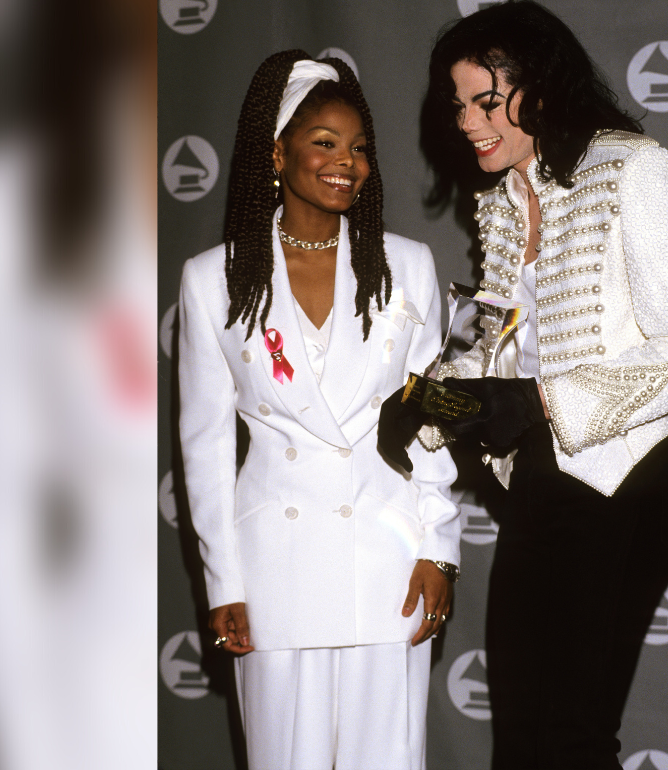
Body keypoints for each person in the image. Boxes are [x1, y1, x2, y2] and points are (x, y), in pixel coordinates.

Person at [380, 3, 668, 768]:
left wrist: (541, 401)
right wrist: (428, 400)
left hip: (622, 479)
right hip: (536, 480)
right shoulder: (499, 201)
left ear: (546, 88)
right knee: (521, 734)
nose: (467, 121)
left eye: (486, 101)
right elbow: (498, 350)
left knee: (572, 737)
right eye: (458, 104)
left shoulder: (634, 169)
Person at [178, 50, 461, 770]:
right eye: (325, 144)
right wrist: (224, 583)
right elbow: (205, 445)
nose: (348, 163)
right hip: (277, 570)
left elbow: (429, 421)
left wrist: (439, 551)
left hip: (387, 560)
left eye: (360, 148)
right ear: (277, 153)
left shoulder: (408, 267)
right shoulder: (215, 281)